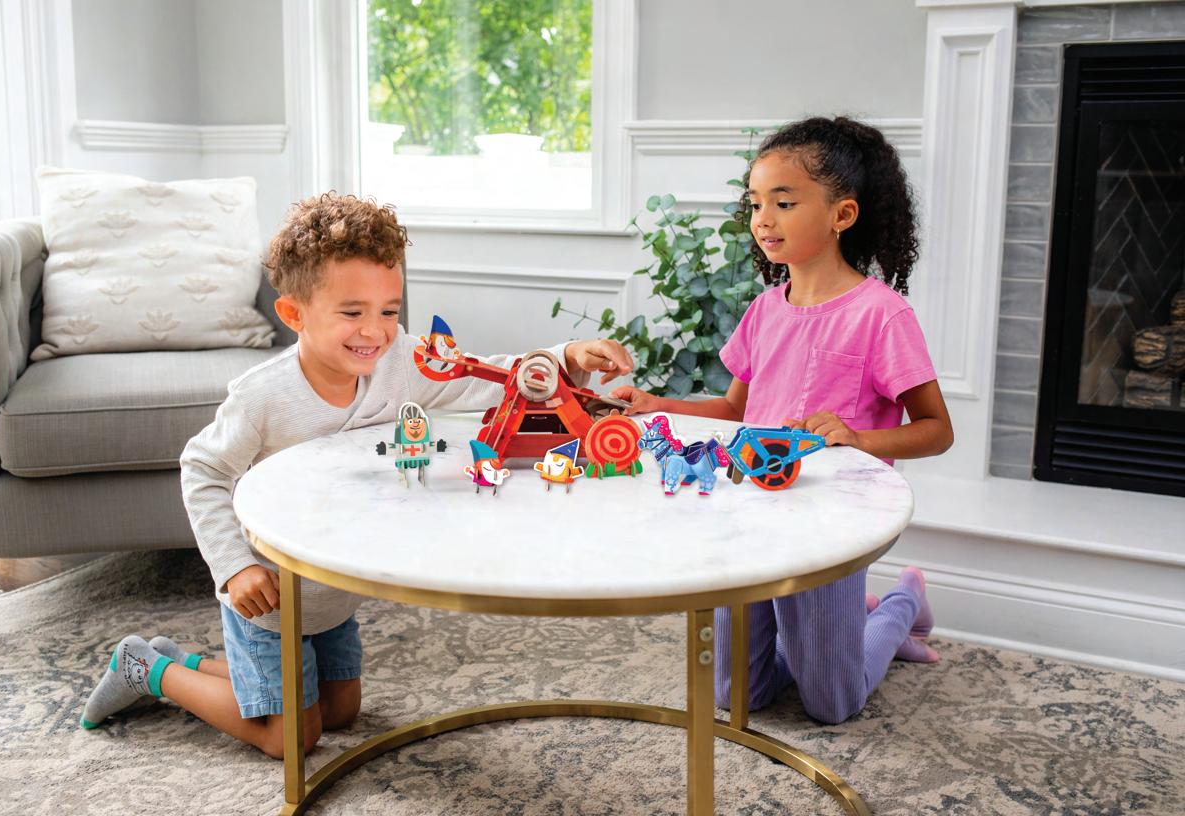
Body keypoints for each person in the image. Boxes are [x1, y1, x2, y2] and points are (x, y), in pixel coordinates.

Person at [79, 193, 633, 756]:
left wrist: (565, 356)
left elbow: (483, 376)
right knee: (294, 737)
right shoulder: (263, 396)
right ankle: (146, 669)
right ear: (294, 314)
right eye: (352, 313)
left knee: (341, 714)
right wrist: (234, 567)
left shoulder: (400, 363)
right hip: (270, 598)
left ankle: (183, 661)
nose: (375, 331)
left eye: (389, 311)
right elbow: (202, 469)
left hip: (333, 593)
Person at [612, 116, 954, 724]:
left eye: (784, 203)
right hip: (752, 513)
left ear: (841, 215)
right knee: (736, 695)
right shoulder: (765, 310)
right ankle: (847, 625)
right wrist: (659, 405)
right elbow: (732, 411)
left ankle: (901, 603)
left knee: (832, 703)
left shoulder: (881, 316)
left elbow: (936, 429)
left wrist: (859, 437)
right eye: (755, 203)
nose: (763, 219)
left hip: (832, 525)